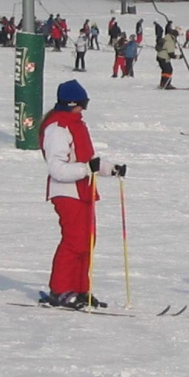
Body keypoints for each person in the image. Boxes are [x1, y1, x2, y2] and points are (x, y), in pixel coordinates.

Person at [39, 80, 126, 309]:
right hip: (66, 192)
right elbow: (57, 168)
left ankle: (79, 289)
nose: (84, 109)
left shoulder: (76, 125)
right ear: (70, 104)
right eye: (82, 104)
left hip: (83, 191)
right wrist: (86, 169)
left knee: (86, 242)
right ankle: (60, 290)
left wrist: (111, 168)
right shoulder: (57, 128)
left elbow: (89, 162)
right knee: (74, 242)